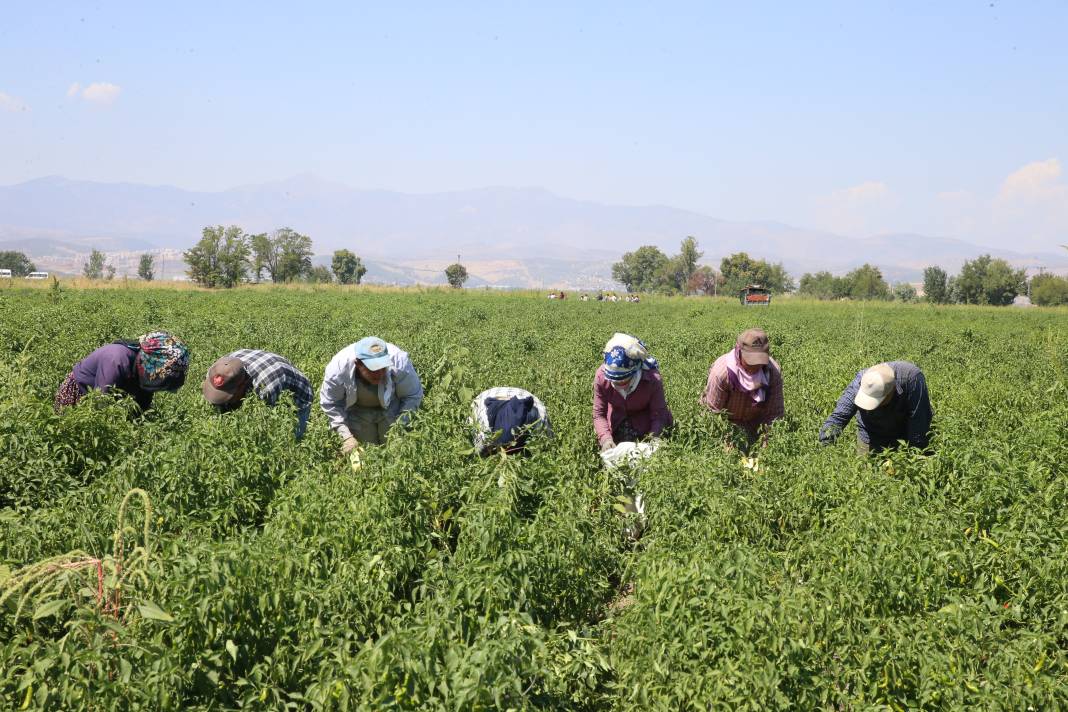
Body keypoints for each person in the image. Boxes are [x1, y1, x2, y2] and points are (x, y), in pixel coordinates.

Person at [320, 337, 423, 457]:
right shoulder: (338, 369)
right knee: (366, 453)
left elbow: (412, 396)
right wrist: (346, 436)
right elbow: (331, 403)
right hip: (358, 411)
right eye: (373, 369)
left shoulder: (399, 361)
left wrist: (400, 426)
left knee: (394, 452)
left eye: (382, 367)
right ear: (358, 363)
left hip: (391, 407)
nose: (379, 373)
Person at [54, 331, 189, 412]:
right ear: (153, 362)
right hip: (81, 394)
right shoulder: (116, 359)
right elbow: (99, 403)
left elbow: (143, 402)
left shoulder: (143, 366)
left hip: (115, 394)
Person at [819, 361, 933, 454]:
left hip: (904, 434)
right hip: (870, 434)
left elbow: (918, 420)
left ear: (891, 392)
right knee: (866, 474)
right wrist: (825, 449)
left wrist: (914, 456)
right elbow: (838, 418)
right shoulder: (860, 382)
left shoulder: (912, 378)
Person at [700, 328, 785, 449]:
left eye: (760, 360)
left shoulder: (772, 372)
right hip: (727, 425)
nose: (756, 365)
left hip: (755, 424)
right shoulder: (722, 373)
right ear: (739, 351)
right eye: (751, 360)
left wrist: (767, 445)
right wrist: (724, 441)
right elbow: (712, 413)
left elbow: (775, 415)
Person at [202, 349, 314, 440]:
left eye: (229, 395)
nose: (224, 400)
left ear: (243, 385)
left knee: (292, 438)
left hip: (299, 392)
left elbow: (265, 424)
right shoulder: (217, 370)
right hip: (262, 365)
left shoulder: (266, 388)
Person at [593, 333, 673, 451]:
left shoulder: (652, 379)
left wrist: (655, 437)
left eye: (624, 379)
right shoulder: (601, 377)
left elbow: (659, 413)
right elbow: (599, 414)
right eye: (615, 380)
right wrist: (606, 439)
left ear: (635, 370)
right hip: (617, 422)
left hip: (646, 423)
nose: (619, 384)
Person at [470, 386, 552, 456]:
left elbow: (546, 444)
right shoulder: (482, 421)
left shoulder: (538, 414)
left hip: (523, 395)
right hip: (488, 396)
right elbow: (478, 451)